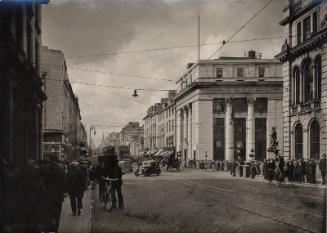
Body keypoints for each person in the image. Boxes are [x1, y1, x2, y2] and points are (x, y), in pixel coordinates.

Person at [43, 155, 67, 232]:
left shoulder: (46, 168)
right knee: (57, 213)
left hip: (48, 194)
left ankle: (48, 228)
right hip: (58, 195)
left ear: (50, 159)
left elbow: (44, 181)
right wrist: (64, 191)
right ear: (57, 160)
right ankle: (55, 229)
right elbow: (64, 181)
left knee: (48, 212)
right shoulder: (61, 169)